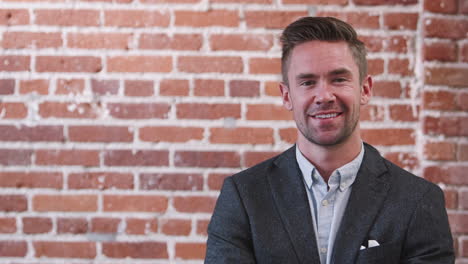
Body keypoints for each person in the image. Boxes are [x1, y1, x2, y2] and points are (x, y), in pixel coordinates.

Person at [204, 16, 454, 264]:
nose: (324, 95)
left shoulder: (418, 199)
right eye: (308, 82)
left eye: (338, 79)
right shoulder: (244, 196)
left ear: (364, 89)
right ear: (287, 96)